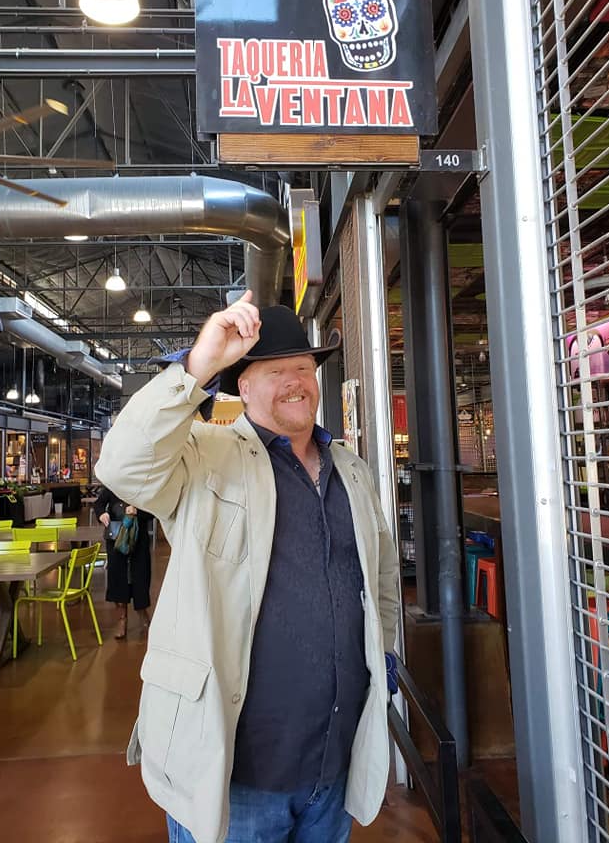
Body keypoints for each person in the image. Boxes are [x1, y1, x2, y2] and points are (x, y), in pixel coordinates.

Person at [95, 291, 399, 843]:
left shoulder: (351, 471)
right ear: (243, 385)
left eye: (303, 368)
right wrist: (195, 367)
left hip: (331, 766)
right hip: (235, 773)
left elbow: (379, 578)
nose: (295, 382)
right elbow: (121, 466)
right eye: (276, 370)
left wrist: (386, 652)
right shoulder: (203, 457)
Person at [94, 485, 152, 639]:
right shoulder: (113, 482)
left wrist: (138, 512)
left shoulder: (143, 482)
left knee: (141, 574)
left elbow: (153, 509)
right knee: (117, 575)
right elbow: (99, 503)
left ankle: (142, 613)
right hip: (116, 535)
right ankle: (122, 619)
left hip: (138, 537)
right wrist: (102, 514)